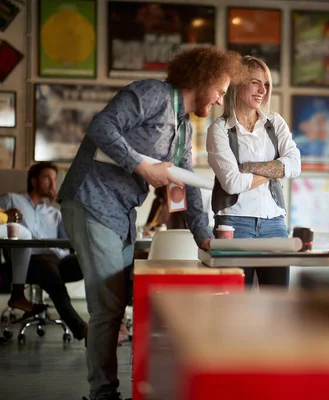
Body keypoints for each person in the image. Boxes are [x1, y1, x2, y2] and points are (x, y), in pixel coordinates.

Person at [58, 46, 243, 400]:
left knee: (125, 301)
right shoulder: (152, 93)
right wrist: (142, 167)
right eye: (221, 88)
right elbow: (101, 126)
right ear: (202, 79)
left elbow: (184, 184)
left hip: (122, 212)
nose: (221, 99)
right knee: (107, 308)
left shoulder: (184, 129)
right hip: (90, 200)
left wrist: (205, 238)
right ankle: (103, 395)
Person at [207, 56, 301, 288]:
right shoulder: (219, 130)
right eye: (255, 82)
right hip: (235, 224)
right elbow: (232, 183)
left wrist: (248, 167)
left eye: (266, 84)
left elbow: (295, 165)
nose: (262, 90)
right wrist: (276, 168)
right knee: (236, 304)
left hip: (274, 222)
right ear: (238, 83)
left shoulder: (274, 122)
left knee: (277, 303)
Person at [0, 162, 88, 339]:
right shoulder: (11, 199)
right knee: (48, 272)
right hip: (28, 262)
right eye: (47, 178)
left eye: (55, 180)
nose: (52, 184)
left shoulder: (55, 213)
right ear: (34, 181)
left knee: (89, 261)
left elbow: (72, 239)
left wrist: (65, 206)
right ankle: (80, 328)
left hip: (57, 261)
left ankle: (108, 321)